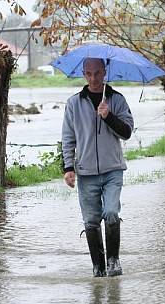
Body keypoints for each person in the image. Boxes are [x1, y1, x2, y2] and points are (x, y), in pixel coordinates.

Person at [61, 58, 134, 277]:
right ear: (84, 74)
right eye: (89, 74)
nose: (93, 78)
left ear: (105, 72)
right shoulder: (74, 103)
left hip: (113, 169)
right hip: (86, 172)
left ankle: (113, 262)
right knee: (91, 221)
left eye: (98, 73)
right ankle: (98, 267)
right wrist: (68, 168)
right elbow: (68, 138)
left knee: (111, 212)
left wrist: (108, 116)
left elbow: (127, 132)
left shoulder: (117, 100)